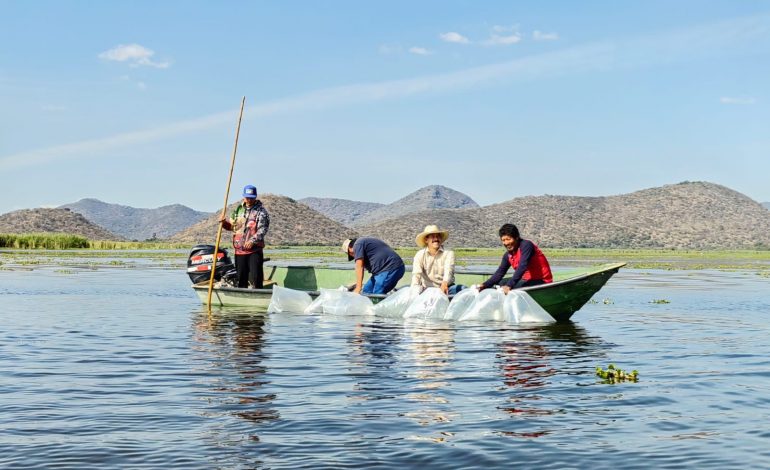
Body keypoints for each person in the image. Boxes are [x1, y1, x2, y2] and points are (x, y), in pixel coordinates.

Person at [220, 185, 270, 289]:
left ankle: (258, 297)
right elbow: (233, 228)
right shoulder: (238, 211)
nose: (249, 200)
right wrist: (224, 223)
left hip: (254, 250)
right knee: (241, 278)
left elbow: (262, 229)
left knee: (256, 277)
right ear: (243, 197)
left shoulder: (261, 212)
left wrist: (252, 240)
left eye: (251, 197)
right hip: (239, 250)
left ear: (255, 197)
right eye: (247, 197)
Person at [479, 223, 553, 294]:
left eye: (508, 239)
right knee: (500, 283)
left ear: (516, 237)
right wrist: (484, 285)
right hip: (525, 280)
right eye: (503, 240)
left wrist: (509, 285)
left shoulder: (526, 245)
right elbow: (500, 273)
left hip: (541, 281)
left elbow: (522, 266)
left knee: (505, 287)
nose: (506, 243)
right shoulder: (507, 255)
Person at [410, 224, 463, 295]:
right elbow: (416, 274)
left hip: (446, 288)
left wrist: (445, 283)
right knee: (406, 288)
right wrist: (414, 288)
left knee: (463, 289)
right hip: (427, 289)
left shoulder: (448, 253)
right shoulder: (420, 255)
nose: (436, 239)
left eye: (438, 236)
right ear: (426, 240)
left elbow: (449, 271)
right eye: (432, 236)